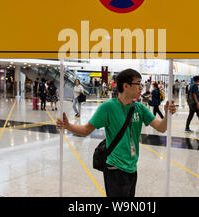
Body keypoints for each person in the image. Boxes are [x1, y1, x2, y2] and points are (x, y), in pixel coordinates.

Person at [56, 68, 176, 197]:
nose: (141, 87)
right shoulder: (108, 107)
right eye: (138, 84)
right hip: (115, 169)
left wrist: (168, 115)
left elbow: (161, 127)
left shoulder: (139, 108)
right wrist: (68, 126)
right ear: (125, 86)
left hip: (132, 168)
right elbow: (86, 130)